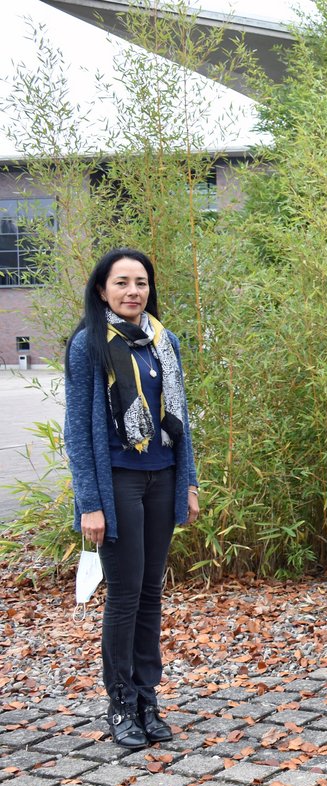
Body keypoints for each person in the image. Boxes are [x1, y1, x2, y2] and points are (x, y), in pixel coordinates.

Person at [64, 248, 200, 748]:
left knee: (151, 593)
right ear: (103, 290)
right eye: (121, 283)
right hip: (117, 480)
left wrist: (188, 482)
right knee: (123, 597)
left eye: (140, 282)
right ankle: (120, 703)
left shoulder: (165, 341)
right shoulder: (89, 345)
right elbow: (78, 430)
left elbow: (180, 420)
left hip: (161, 476)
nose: (132, 291)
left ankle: (148, 697)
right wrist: (89, 503)